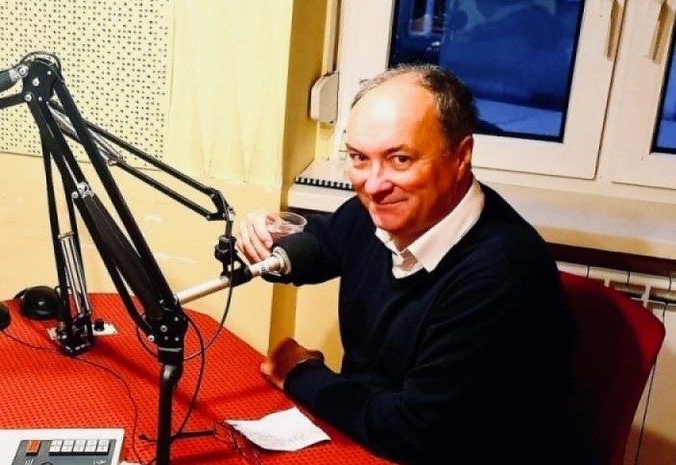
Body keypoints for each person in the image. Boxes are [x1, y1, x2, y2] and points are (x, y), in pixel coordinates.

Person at [237, 64, 584, 464]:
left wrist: (300, 374)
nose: (373, 185)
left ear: (461, 156)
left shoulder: (501, 273)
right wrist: (266, 240)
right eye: (359, 158)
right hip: (375, 442)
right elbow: (322, 245)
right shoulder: (381, 212)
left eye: (400, 159)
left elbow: (413, 433)